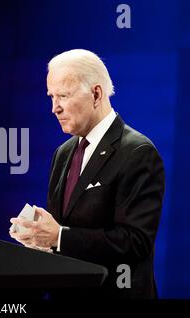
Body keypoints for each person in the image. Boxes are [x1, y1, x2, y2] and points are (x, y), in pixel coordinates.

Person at [9, 49, 165, 299]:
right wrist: (40, 239)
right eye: (51, 97)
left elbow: (135, 242)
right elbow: (63, 235)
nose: (54, 108)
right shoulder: (63, 153)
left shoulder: (137, 151)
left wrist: (58, 236)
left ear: (96, 94)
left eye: (63, 95)